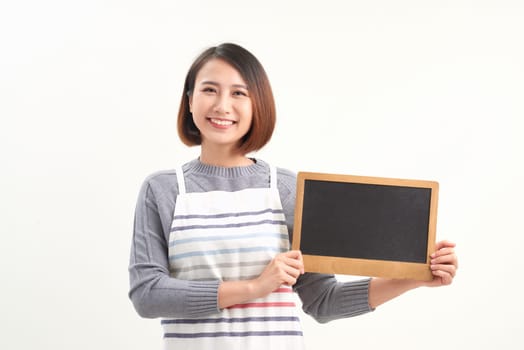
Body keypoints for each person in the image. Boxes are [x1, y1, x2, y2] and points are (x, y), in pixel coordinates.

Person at [128, 42, 458, 350]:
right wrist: (253, 288)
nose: (222, 105)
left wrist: (415, 278)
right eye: (209, 90)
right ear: (189, 100)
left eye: (239, 93)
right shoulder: (163, 189)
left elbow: (323, 301)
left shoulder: (286, 189)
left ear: (258, 104)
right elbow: (147, 294)